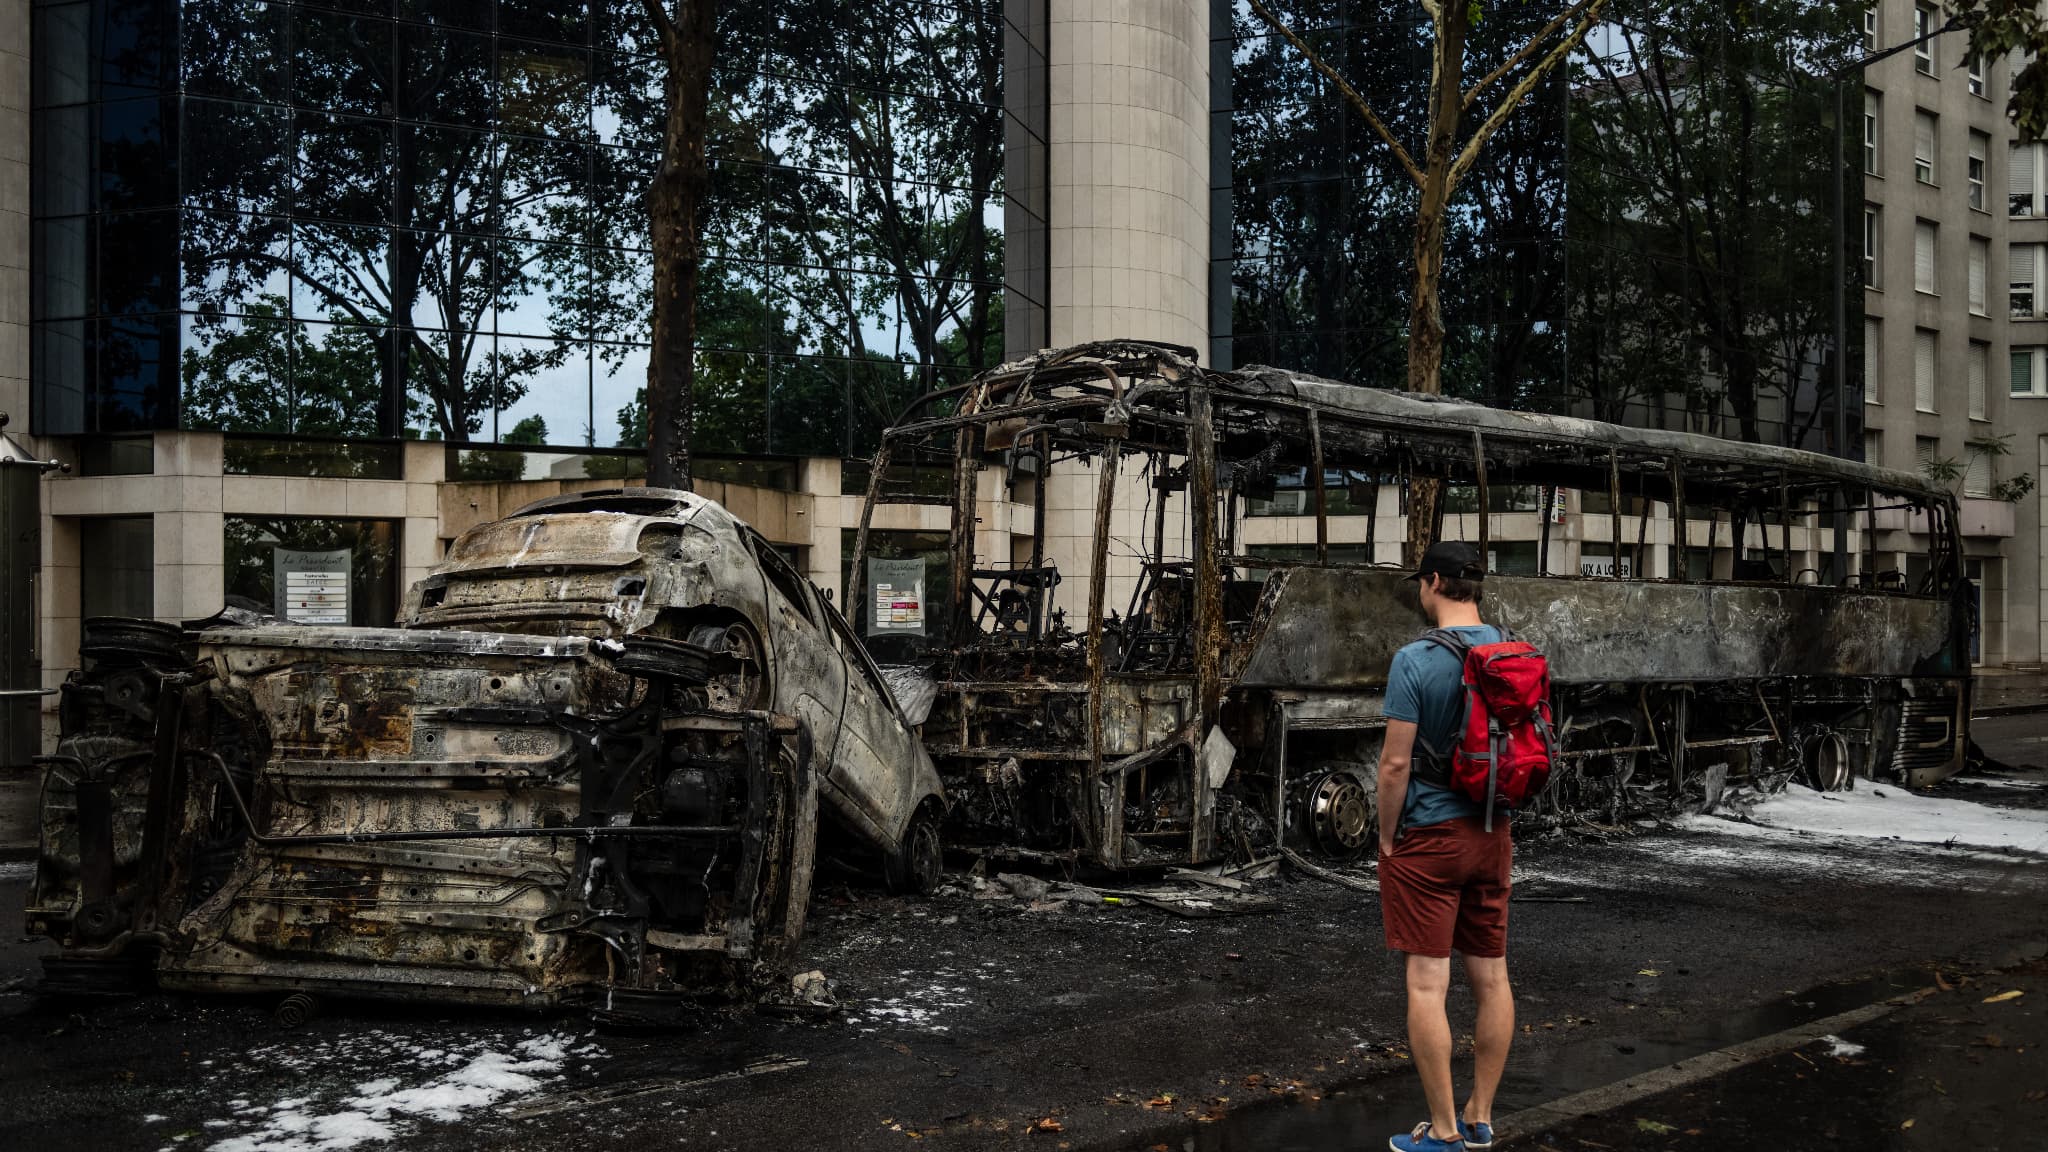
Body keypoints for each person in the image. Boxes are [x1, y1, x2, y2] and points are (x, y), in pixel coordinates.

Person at [1377, 540, 1514, 1152]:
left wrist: (1386, 837)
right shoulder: (1510, 648)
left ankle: (1442, 1131)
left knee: (1428, 985)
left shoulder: (1414, 659)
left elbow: (1393, 765)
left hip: (1430, 836)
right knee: (1491, 978)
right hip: (1494, 832)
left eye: (1420, 582)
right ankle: (1481, 1115)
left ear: (1432, 582)